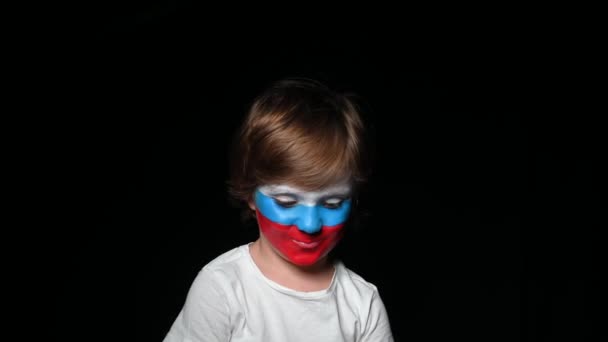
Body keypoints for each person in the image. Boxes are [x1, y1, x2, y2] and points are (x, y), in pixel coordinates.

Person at [163, 78, 394, 341]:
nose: (310, 225)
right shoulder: (222, 287)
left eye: (332, 204)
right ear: (250, 194)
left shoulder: (362, 303)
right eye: (286, 202)